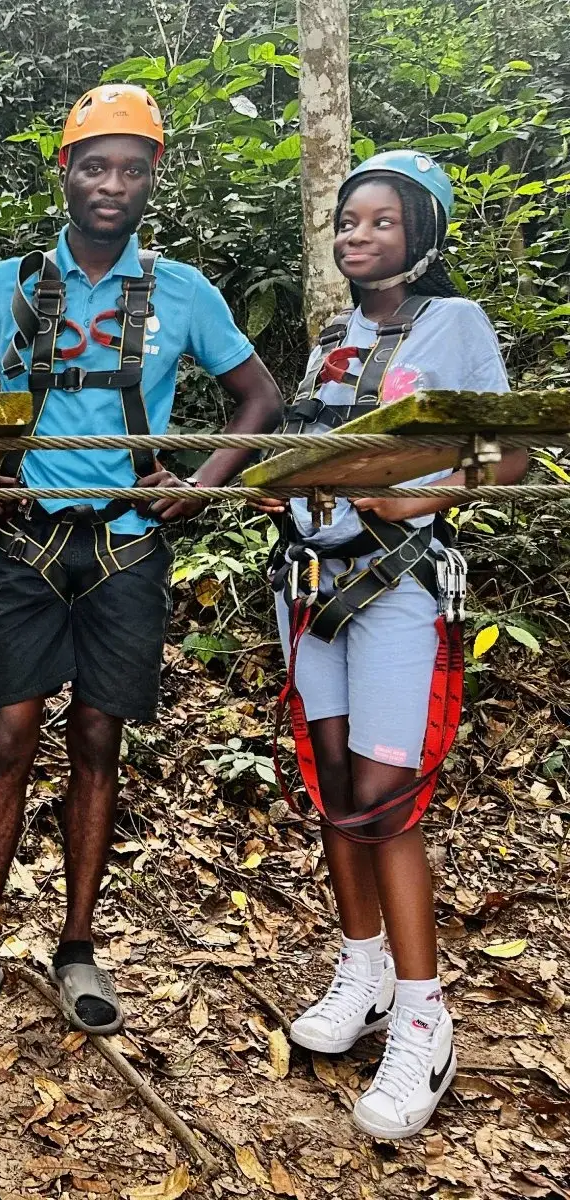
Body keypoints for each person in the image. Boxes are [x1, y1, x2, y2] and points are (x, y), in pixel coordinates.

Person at [0, 85, 284, 1041]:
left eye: (131, 167)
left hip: (127, 544)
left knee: (97, 742)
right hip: (25, 539)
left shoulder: (180, 291)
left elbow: (257, 394)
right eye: (95, 165)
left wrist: (204, 480)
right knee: (6, 741)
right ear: (65, 172)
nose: (112, 184)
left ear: (152, 177)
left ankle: (77, 943)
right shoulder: (3, 288)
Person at [255, 150, 524, 1139]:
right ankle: (359, 968)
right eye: (345, 221)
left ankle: (423, 1013)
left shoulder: (454, 325)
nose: (354, 236)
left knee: (384, 797)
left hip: (398, 585)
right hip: (311, 584)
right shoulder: (333, 337)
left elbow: (511, 453)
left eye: (376, 222)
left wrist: (427, 493)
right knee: (330, 783)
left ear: (422, 232)